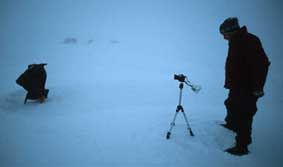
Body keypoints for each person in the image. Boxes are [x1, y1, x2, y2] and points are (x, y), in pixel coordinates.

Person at [219, 17, 270, 156]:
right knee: (230, 104)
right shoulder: (235, 41)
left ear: (231, 31)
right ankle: (231, 125)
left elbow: (263, 64)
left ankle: (242, 147)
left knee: (245, 115)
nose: (223, 37)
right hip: (236, 86)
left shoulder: (250, 41)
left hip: (248, 88)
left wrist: (257, 87)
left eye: (224, 34)